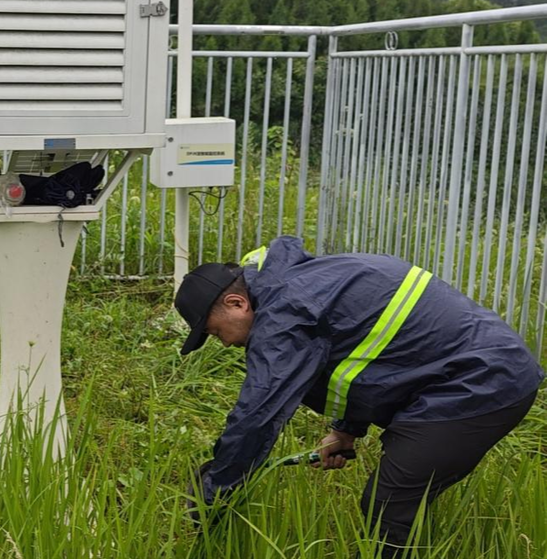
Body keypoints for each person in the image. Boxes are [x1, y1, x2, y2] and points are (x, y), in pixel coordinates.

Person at [175, 236, 544, 557]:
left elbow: (258, 414)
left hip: (480, 383)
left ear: (237, 303)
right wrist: (345, 431)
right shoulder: (302, 283)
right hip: (470, 375)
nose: (225, 343)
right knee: (398, 502)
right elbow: (369, 355)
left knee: (390, 504)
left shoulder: (285, 313)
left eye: (216, 332)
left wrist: (214, 492)